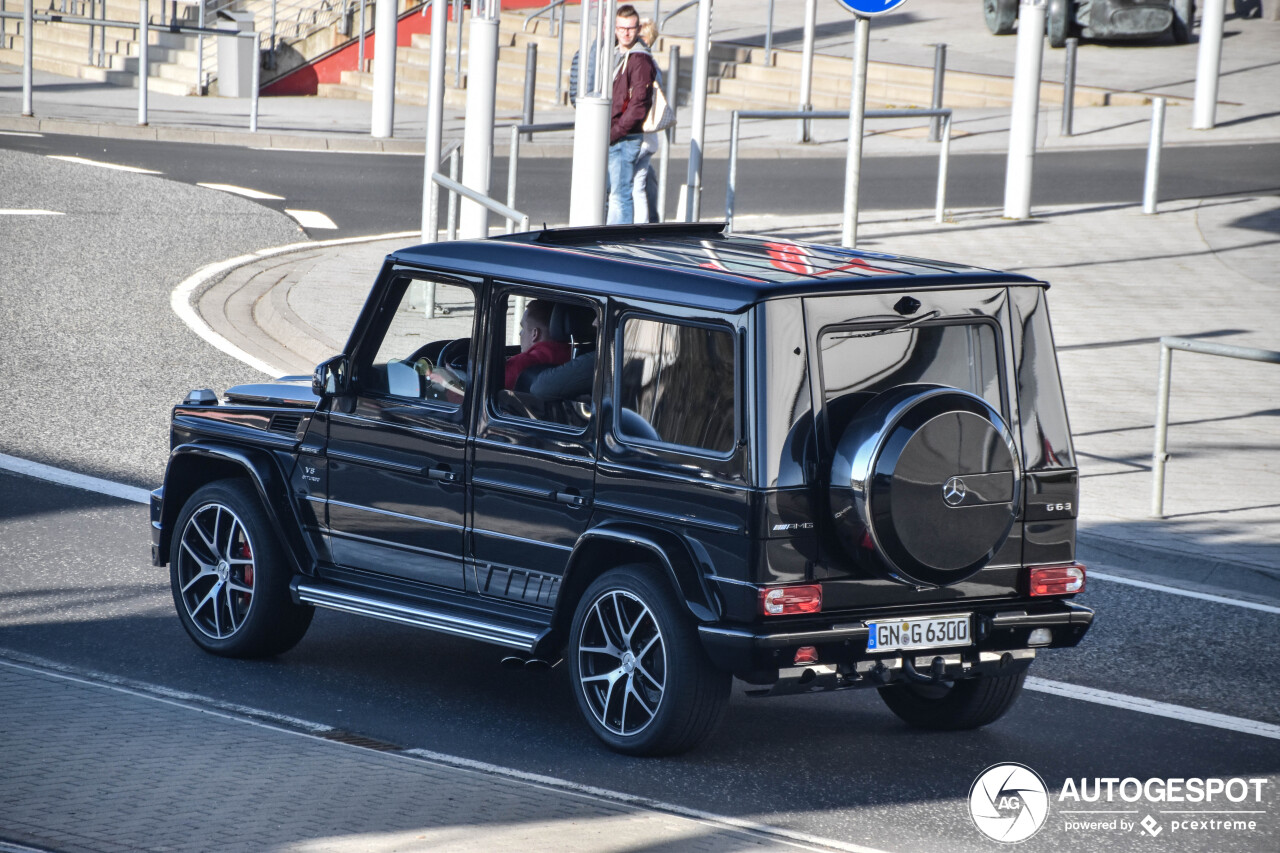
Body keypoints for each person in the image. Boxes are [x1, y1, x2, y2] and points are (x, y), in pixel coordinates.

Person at [607, 4, 656, 225]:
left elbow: (638, 105)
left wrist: (615, 132)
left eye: (630, 28)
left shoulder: (639, 60)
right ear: (615, 29)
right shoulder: (616, 54)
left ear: (638, 29)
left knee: (620, 195)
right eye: (621, 28)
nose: (626, 32)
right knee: (618, 192)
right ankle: (611, 240)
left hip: (625, 138)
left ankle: (618, 245)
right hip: (617, 135)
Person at [632, 17, 662, 224]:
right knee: (638, 188)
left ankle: (625, 230)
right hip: (649, 137)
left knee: (619, 186)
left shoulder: (642, 62)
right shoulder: (653, 63)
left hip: (638, 136)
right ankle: (641, 231)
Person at [504, 300, 571, 390]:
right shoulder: (578, 358)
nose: (520, 333)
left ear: (535, 334)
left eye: (523, 327)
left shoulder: (518, 365)